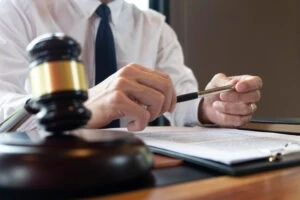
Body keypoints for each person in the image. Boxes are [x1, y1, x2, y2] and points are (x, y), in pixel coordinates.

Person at [0, 0, 262, 132]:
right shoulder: (15, 11)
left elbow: (180, 100)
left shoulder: (155, 26)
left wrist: (209, 107)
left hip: (137, 172)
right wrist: (78, 109)